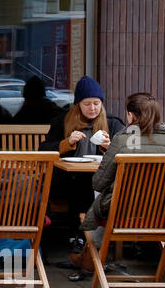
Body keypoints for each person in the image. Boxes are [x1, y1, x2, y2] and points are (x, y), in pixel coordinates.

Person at [70, 92, 165, 272]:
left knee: (105, 202)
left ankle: (90, 255)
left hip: (122, 215)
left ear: (131, 115)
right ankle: (89, 257)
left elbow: (98, 183)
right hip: (163, 216)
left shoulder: (122, 141)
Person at [40, 76, 125, 237]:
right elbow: (43, 149)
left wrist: (110, 147)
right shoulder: (62, 121)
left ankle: (81, 239)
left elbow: (127, 153)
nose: (92, 108)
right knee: (82, 182)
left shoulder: (113, 123)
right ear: (78, 104)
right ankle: (83, 239)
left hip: (103, 180)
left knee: (88, 182)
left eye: (96, 103)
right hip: (65, 179)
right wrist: (67, 142)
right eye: (87, 104)